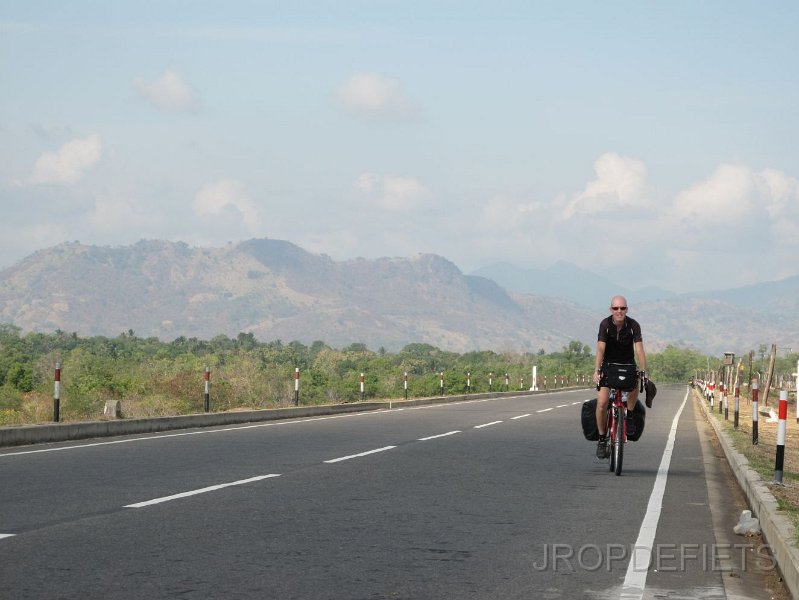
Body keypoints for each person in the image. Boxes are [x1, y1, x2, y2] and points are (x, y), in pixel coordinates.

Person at [592, 295, 649, 459]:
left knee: (636, 382)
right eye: (616, 308)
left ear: (626, 309)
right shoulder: (605, 324)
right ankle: (602, 439)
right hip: (608, 366)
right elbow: (600, 348)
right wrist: (597, 369)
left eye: (622, 308)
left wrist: (644, 370)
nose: (619, 311)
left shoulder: (633, 326)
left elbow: (639, 350)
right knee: (602, 403)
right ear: (611, 309)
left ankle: (629, 415)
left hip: (627, 365)